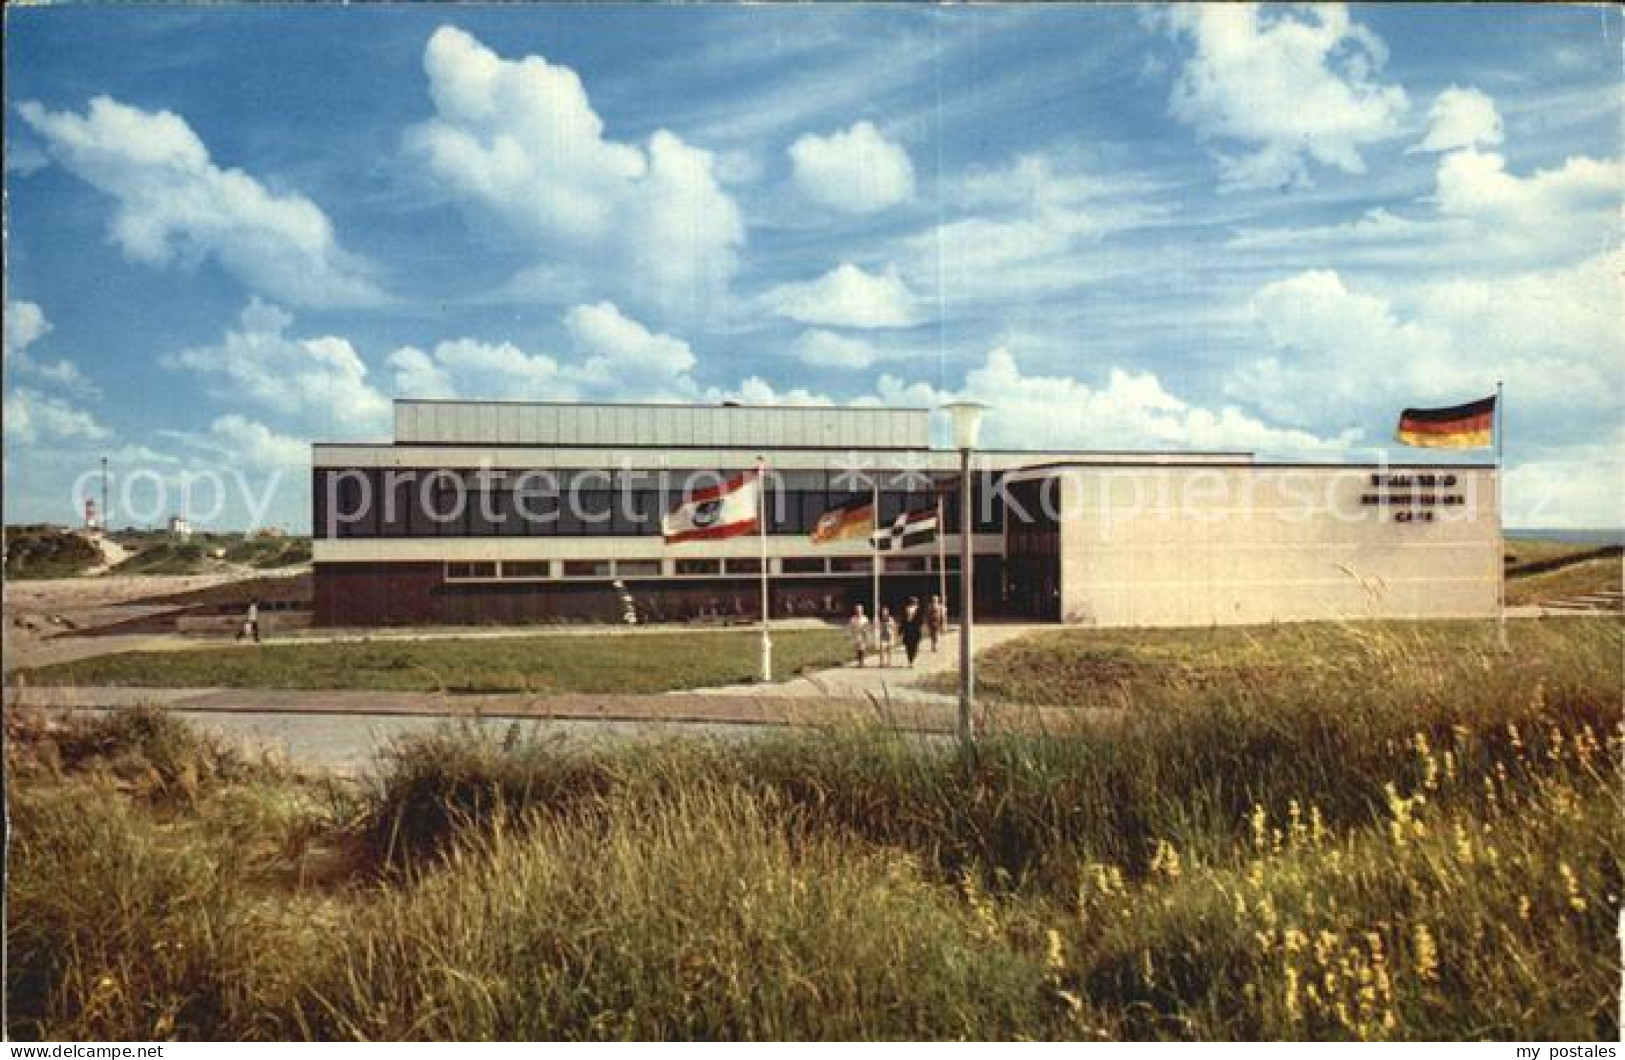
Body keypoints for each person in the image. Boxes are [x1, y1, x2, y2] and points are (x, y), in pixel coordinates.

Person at [900, 597, 925, 668]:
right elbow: (903, 621)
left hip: (915, 630)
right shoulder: (905, 609)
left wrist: (919, 625)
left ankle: (912, 660)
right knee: (908, 646)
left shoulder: (919, 610)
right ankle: (910, 660)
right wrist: (901, 630)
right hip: (907, 630)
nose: (913, 604)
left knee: (914, 646)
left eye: (915, 602)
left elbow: (921, 620)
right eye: (912, 602)